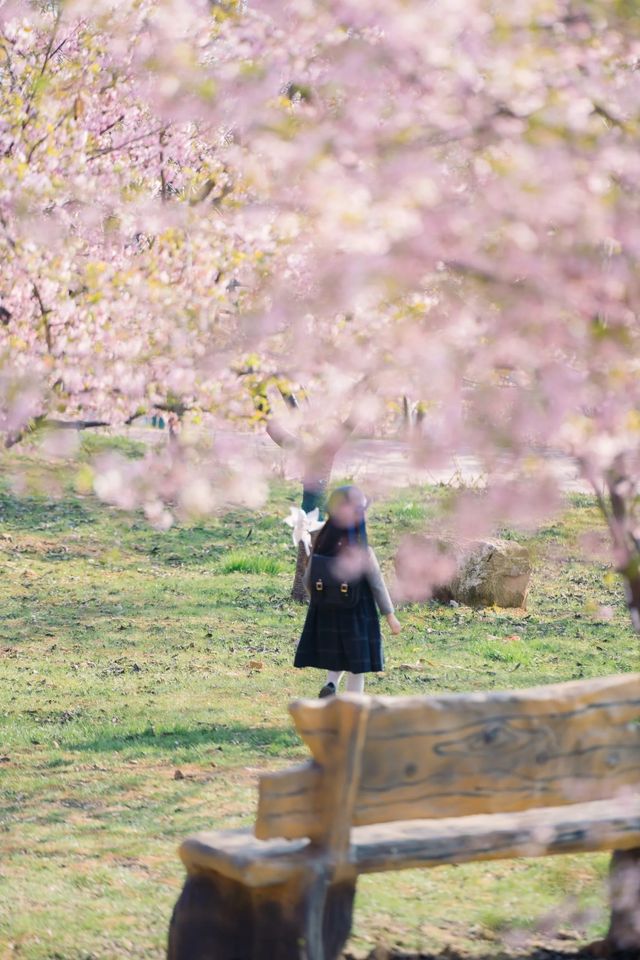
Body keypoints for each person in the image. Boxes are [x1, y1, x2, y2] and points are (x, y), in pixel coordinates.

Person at [294, 485, 401, 696]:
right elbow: (377, 583)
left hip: (325, 611)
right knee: (356, 666)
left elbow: (308, 579)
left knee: (335, 655)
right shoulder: (361, 550)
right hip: (357, 612)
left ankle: (331, 685)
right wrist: (390, 616)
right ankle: (353, 703)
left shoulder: (321, 544)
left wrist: (321, 598)